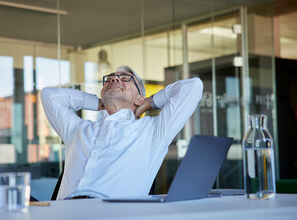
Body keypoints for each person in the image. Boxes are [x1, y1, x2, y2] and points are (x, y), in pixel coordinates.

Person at [41, 66, 203, 200]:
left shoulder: (152, 131)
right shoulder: (77, 129)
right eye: (110, 79)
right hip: (64, 215)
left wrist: (148, 103)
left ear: (139, 97)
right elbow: (49, 95)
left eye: (126, 79)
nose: (114, 79)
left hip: (112, 219)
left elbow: (193, 87)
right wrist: (98, 103)